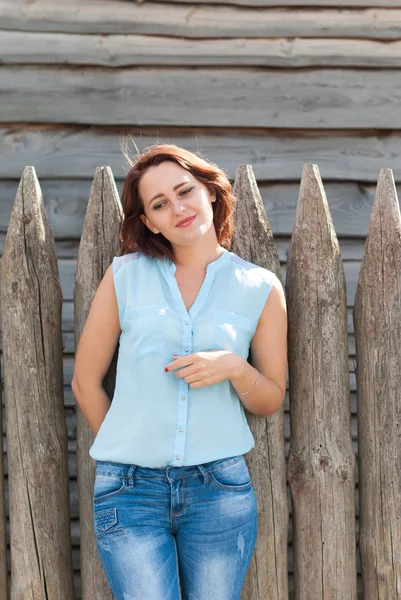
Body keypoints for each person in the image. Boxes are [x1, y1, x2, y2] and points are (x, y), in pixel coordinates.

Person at [72, 143, 287, 600]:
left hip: (219, 492)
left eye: (185, 191)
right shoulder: (125, 277)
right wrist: (124, 450)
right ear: (149, 222)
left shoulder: (260, 287)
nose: (178, 208)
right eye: (159, 204)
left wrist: (232, 367)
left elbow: (270, 399)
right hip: (129, 493)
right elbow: (85, 383)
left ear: (210, 191)